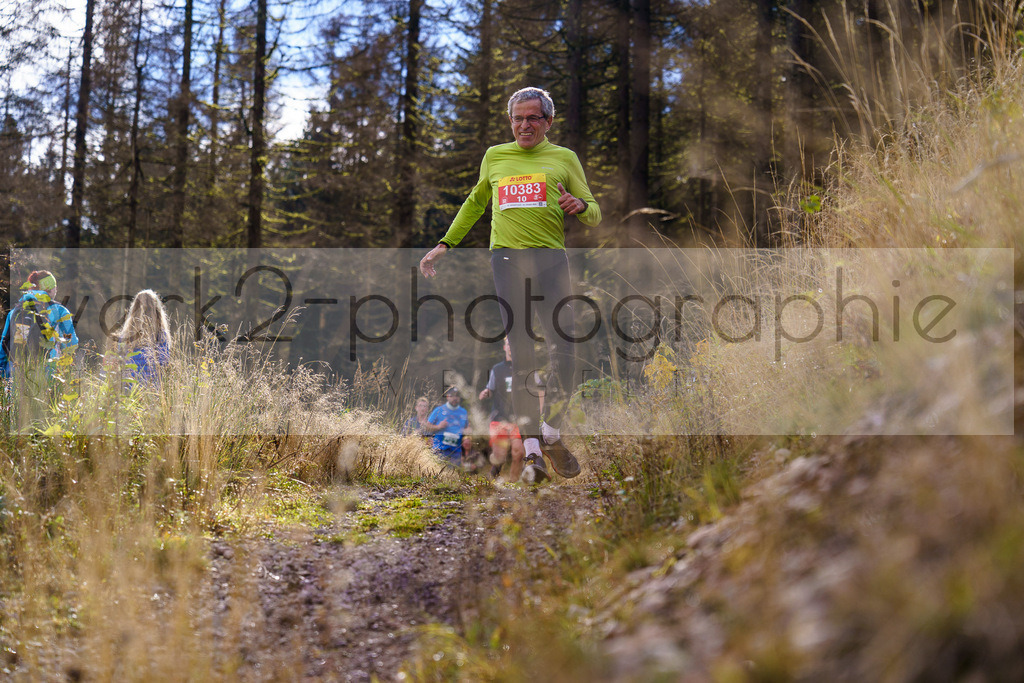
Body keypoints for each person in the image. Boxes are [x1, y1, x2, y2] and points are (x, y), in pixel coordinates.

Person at [419, 86, 600, 484]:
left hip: (552, 259)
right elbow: (474, 202)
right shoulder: (495, 156)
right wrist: (444, 244)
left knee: (566, 350)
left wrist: (580, 206)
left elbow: (593, 212)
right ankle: (533, 448)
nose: (523, 125)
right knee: (520, 355)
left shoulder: (564, 158)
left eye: (532, 117)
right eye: (517, 118)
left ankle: (552, 433)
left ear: (548, 121)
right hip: (506, 259)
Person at [0, 270, 79, 380]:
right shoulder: (60, 311)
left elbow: (4, 345)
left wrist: (4, 375)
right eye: (55, 286)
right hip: (47, 372)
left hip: (16, 372)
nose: (56, 290)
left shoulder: (14, 311)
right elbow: (71, 343)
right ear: (49, 289)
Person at [479, 339, 527, 481]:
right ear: (504, 347)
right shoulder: (497, 369)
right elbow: (490, 388)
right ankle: (492, 481)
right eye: (509, 345)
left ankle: (513, 484)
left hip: (517, 418)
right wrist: (485, 392)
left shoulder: (524, 369)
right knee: (499, 457)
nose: (511, 348)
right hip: (499, 417)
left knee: (518, 453)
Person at [109, 289, 172, 386]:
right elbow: (164, 361)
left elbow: (121, 360)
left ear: (134, 308)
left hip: (130, 386)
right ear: (157, 309)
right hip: (153, 387)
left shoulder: (126, 334)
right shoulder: (160, 334)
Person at [425, 386, 470, 464]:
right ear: (447, 396)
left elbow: (467, 428)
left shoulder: (463, 412)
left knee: (454, 474)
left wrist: (467, 433)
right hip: (440, 450)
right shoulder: (439, 410)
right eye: (452, 395)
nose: (454, 398)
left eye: (457, 396)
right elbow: (427, 427)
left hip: (456, 452)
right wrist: (438, 426)